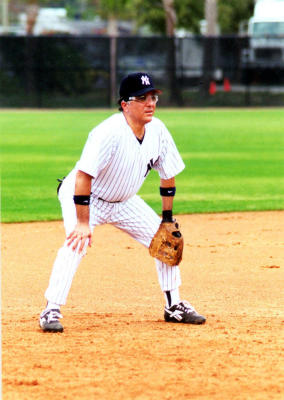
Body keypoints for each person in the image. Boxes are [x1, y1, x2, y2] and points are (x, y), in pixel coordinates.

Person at [39, 72, 206, 333]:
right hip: (86, 196)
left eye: (153, 97)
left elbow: (168, 174)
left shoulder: (158, 131)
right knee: (77, 242)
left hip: (125, 201)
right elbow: (83, 176)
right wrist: (83, 222)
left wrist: (166, 218)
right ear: (125, 104)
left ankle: (174, 306)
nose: (150, 103)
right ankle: (51, 309)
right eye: (142, 98)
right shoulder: (108, 133)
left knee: (165, 239)